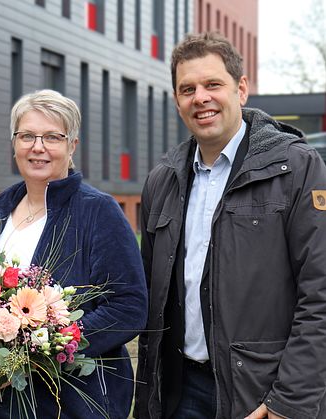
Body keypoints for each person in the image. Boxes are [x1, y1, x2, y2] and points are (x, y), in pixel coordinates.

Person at [134, 32, 326, 419]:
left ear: (241, 89)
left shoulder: (298, 169)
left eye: (212, 84)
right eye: (187, 89)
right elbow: (150, 299)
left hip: (260, 394)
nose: (200, 98)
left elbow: (320, 294)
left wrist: (289, 400)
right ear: (176, 100)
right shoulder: (162, 181)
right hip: (179, 392)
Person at [0, 89, 148, 418]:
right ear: (14, 143)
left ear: (72, 146)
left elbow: (129, 306)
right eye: (27, 136)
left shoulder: (98, 212)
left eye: (52, 136)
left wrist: (45, 345)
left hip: (73, 406)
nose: (38, 147)